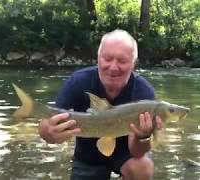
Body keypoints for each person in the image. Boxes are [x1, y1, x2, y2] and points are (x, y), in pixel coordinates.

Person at [38, 29, 163, 180]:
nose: (113, 67)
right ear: (98, 58)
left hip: (126, 154)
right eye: (107, 58)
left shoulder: (144, 92)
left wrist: (143, 137)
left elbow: (137, 152)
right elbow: (48, 125)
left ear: (133, 64)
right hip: (87, 156)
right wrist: (49, 133)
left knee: (142, 168)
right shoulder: (78, 81)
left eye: (122, 61)